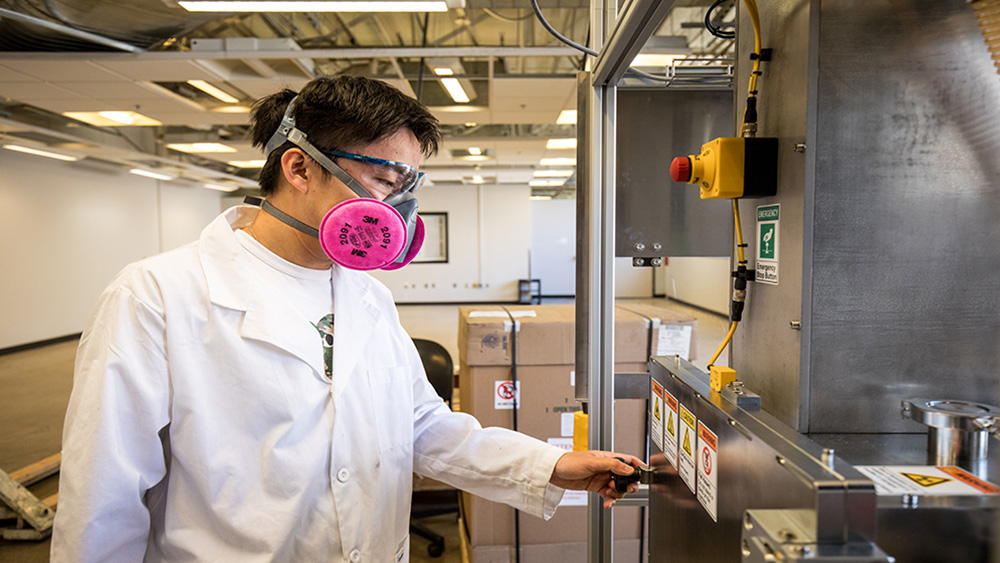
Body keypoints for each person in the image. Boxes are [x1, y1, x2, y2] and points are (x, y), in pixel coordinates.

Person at [51, 75, 641, 562]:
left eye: (406, 188)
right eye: (384, 182)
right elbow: (103, 496)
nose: (395, 211)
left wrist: (551, 464)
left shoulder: (366, 296)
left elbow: (418, 427)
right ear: (299, 168)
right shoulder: (156, 295)